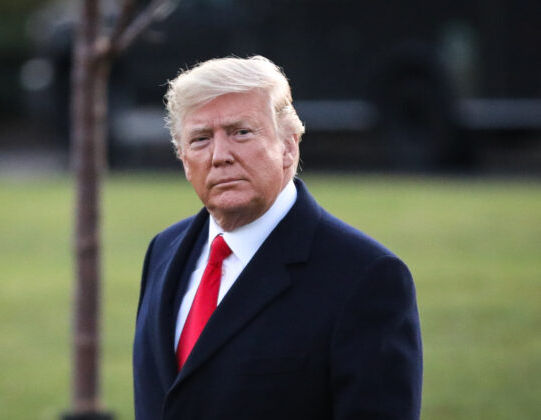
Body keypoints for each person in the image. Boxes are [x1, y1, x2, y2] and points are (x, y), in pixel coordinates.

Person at [133, 56, 422, 420]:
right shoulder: (163, 251)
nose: (220, 155)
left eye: (241, 132)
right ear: (183, 158)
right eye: (201, 139)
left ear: (289, 145)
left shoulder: (366, 277)